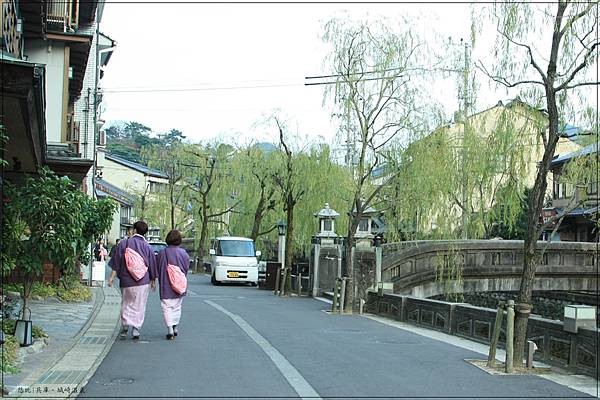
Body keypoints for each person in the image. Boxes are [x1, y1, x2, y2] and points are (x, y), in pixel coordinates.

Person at [108, 221, 157, 340]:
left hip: (126, 280)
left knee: (126, 303)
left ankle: (125, 326)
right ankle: (136, 329)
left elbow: (117, 263)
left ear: (134, 230)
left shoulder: (124, 243)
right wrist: (153, 279)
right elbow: (152, 265)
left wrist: (111, 278)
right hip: (142, 281)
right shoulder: (148, 247)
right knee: (140, 304)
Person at [156, 229, 189, 340]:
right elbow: (185, 268)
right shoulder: (183, 253)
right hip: (179, 284)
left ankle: (170, 328)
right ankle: (175, 327)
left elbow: (158, 268)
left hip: (166, 284)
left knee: (166, 307)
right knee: (177, 306)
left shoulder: (162, 253)